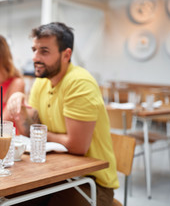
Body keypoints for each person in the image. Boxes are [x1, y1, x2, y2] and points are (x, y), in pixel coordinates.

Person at [6, 22, 119, 206]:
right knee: (9, 201)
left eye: (44, 51)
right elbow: (29, 130)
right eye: (34, 50)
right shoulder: (42, 81)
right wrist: (19, 101)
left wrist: (41, 135)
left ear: (66, 54)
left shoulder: (79, 83)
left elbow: (77, 146)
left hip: (91, 183)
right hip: (53, 175)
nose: (35, 57)